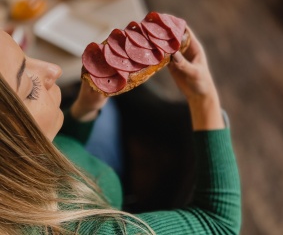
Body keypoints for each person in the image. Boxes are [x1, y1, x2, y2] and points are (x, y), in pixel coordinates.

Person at [0, 26, 241, 234]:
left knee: (109, 110)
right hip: (102, 191)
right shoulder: (95, 229)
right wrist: (203, 97)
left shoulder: (17, 172)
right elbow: (219, 223)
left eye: (26, 55)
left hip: (81, 167)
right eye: (30, 87)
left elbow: (58, 150)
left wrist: (85, 109)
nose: (54, 70)